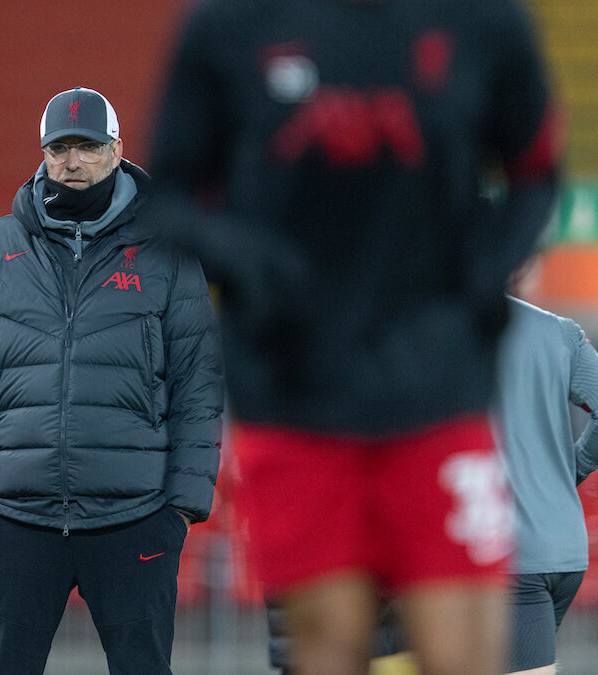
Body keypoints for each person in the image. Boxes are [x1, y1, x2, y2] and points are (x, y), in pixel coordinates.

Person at [145, 1, 562, 674]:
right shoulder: (228, 26)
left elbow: (536, 170)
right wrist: (250, 264)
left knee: (465, 656)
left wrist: (482, 280)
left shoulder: (483, 21)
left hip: (437, 386)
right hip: (296, 392)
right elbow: (166, 197)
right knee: (328, 647)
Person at [0, 86, 223, 675]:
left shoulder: (166, 252)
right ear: (42, 155)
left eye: (87, 146)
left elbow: (199, 381)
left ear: (117, 151)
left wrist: (182, 507)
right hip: (14, 517)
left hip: (135, 514)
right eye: (60, 147)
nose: (73, 161)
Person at [493, 296, 598, 674]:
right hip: (565, 549)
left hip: (512, 554)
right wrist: (570, 470)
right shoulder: (558, 330)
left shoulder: (449, 329)